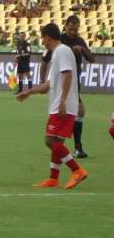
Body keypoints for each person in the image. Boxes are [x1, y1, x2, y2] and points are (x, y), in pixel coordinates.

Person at [16, 23, 88, 189]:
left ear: (48, 37)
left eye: (43, 38)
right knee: (57, 142)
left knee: (49, 140)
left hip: (63, 105)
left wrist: (62, 100)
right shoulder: (58, 53)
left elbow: (68, 74)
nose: (43, 41)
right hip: (63, 104)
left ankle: (77, 170)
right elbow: (50, 83)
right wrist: (29, 92)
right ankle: (53, 178)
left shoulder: (61, 51)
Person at [42, 16, 94, 158]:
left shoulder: (79, 40)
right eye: (71, 27)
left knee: (76, 112)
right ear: (65, 26)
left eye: (76, 28)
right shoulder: (59, 40)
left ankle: (61, 144)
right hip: (64, 82)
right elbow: (45, 60)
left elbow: (92, 59)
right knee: (79, 111)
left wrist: (82, 50)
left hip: (73, 82)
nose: (73, 30)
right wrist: (42, 81)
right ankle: (75, 147)